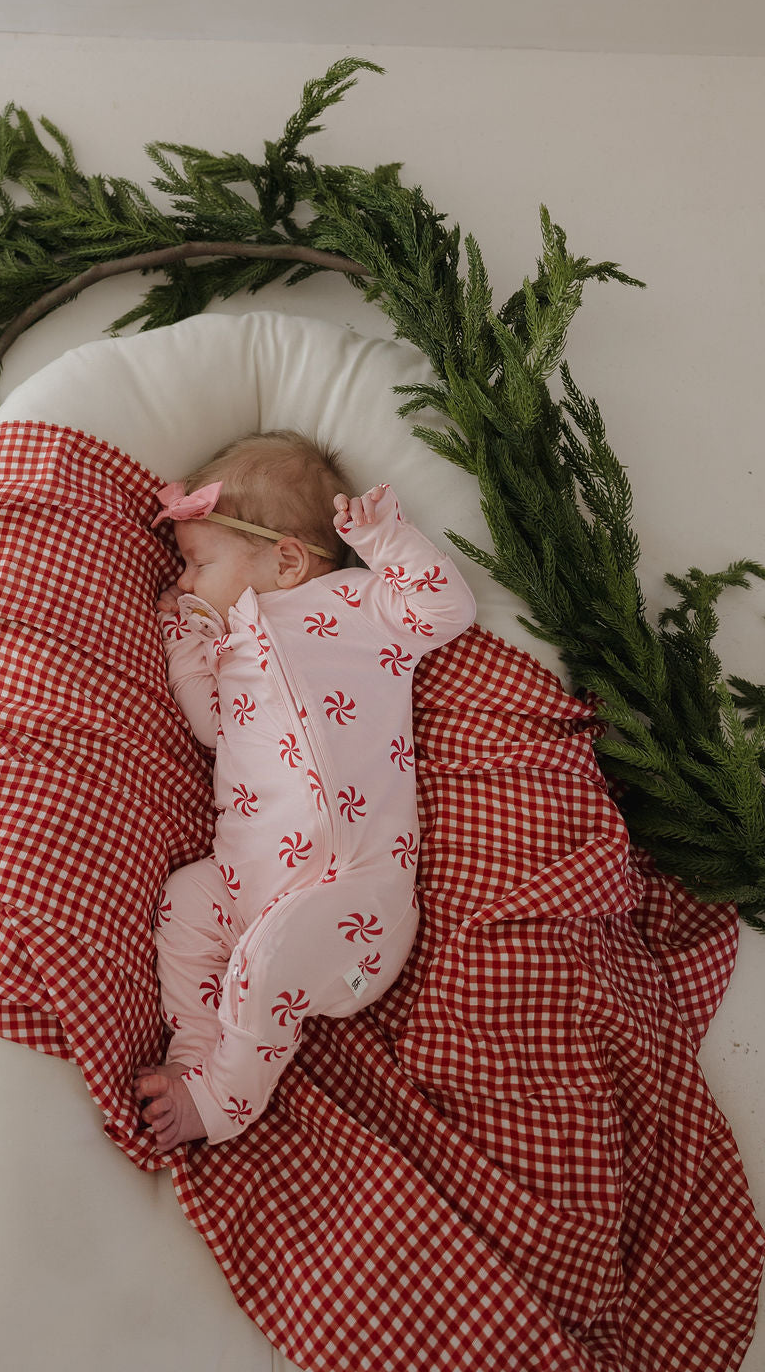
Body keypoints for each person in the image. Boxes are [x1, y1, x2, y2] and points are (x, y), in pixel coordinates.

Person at [134, 430, 476, 1150]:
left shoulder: (358, 604)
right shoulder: (227, 651)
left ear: (287, 559)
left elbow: (445, 610)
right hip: (246, 880)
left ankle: (228, 1098)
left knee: (270, 954)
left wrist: (388, 543)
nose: (188, 582)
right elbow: (210, 727)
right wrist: (186, 644)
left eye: (199, 563)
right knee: (184, 906)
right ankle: (195, 1055)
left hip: (354, 900)